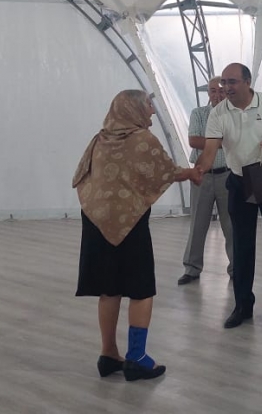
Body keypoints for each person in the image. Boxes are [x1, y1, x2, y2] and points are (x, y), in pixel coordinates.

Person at [73, 90, 201, 380]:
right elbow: (166, 172)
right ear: (133, 108)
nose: (153, 111)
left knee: (109, 289)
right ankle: (137, 358)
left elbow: (81, 176)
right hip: (130, 223)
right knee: (141, 289)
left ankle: (108, 354)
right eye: (149, 104)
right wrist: (192, 173)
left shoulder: (99, 140)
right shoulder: (142, 139)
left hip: (96, 222)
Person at [194, 63, 262, 329]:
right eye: (224, 83)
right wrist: (197, 170)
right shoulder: (218, 113)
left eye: (232, 82)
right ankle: (243, 305)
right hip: (239, 181)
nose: (226, 88)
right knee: (241, 245)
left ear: (247, 82)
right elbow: (209, 151)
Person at [178, 76, 234, 284]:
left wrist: (210, 142)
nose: (216, 95)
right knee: (198, 224)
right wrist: (222, 141)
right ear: (208, 93)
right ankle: (192, 268)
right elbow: (193, 140)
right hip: (202, 174)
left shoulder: (234, 114)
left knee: (231, 225)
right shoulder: (199, 113)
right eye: (212, 91)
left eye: (220, 90)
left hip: (228, 175)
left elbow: (237, 141)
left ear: (227, 92)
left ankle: (236, 268)